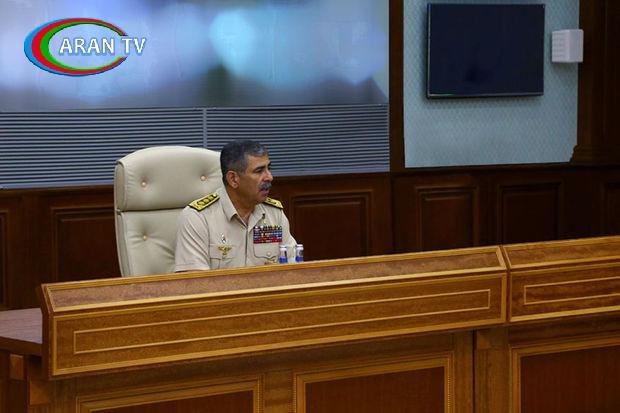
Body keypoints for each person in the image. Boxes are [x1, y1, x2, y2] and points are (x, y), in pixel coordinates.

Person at [174, 140, 297, 271]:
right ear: (233, 179)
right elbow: (196, 280)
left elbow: (294, 270)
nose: (269, 177)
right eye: (259, 171)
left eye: (268, 168)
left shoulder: (274, 214)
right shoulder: (197, 218)